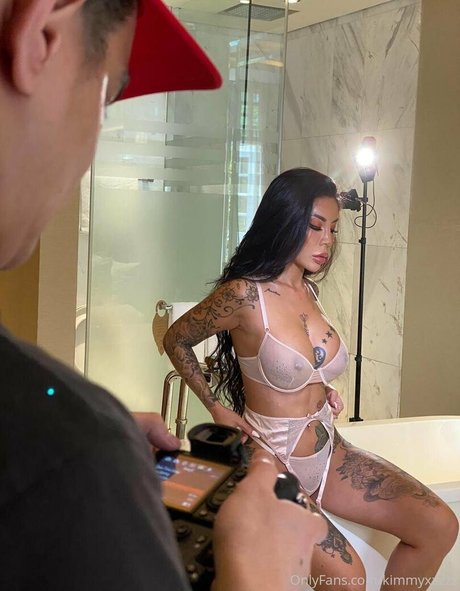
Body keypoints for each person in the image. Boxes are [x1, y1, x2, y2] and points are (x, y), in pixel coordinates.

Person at [0, 1, 326, 590]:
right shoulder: (67, 466)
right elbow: (178, 338)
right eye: (106, 97)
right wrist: (258, 572)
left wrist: (89, 430)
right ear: (41, 35)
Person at [164, 167, 459, 591]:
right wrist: (215, 407)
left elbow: (298, 368)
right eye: (316, 226)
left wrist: (325, 387)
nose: (327, 241)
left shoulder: (310, 291)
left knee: (439, 525)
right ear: (285, 221)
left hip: (329, 452)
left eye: (334, 229)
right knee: (348, 579)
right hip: (270, 457)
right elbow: (176, 339)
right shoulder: (244, 294)